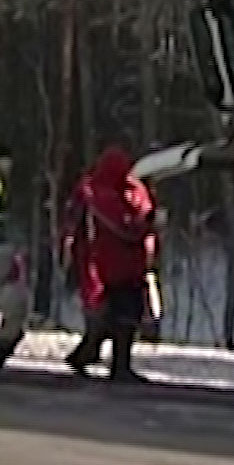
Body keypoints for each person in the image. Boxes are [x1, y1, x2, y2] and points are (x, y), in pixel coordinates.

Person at [61, 144, 157, 382]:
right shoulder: (98, 193)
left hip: (128, 265)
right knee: (118, 316)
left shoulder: (130, 190)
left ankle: (92, 356)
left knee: (118, 317)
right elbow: (122, 227)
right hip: (108, 265)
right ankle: (111, 363)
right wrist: (145, 226)